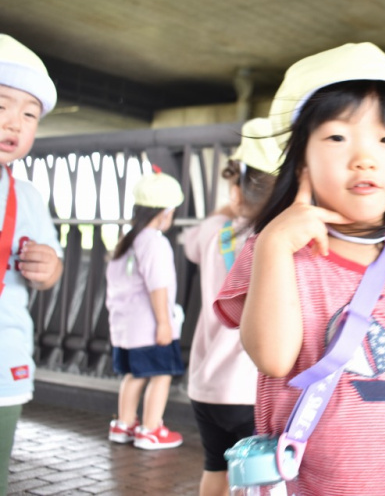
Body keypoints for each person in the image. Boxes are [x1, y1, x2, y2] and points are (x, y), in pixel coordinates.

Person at [214, 42, 385, 495]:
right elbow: (273, 358)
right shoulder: (275, 254)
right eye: (337, 137)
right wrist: (275, 244)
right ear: (301, 159)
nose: (364, 158)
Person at [183, 117, 279, 496]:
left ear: (236, 190)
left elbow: (191, 244)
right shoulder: (278, 243)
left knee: (215, 469)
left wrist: (231, 203)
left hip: (205, 387)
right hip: (250, 391)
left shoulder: (213, 232)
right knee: (254, 481)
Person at [0, 34, 64, 495]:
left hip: (4, 359)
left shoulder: (29, 197)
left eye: (29, 115)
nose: (14, 123)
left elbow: (51, 269)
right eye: (2, 106)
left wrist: (48, 269)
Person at [105, 168, 186, 450]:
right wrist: (164, 323)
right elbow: (158, 286)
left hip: (125, 328)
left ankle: (124, 424)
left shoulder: (126, 241)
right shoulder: (155, 242)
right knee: (161, 375)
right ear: (165, 212)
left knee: (134, 375)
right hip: (150, 326)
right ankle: (151, 430)